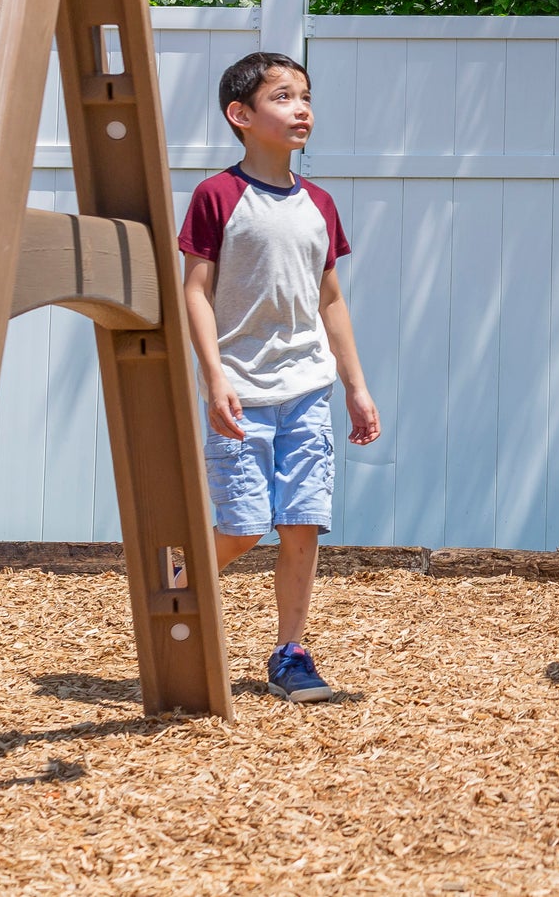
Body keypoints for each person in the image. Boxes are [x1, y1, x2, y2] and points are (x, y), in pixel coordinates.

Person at [179, 51, 381, 701]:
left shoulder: (318, 203)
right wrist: (213, 379)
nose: (302, 108)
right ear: (240, 115)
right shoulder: (217, 196)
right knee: (241, 526)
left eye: (305, 97)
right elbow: (195, 293)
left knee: (300, 523)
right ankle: (176, 592)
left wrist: (355, 386)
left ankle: (290, 653)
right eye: (283, 96)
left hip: (307, 393)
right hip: (240, 391)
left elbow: (331, 301)